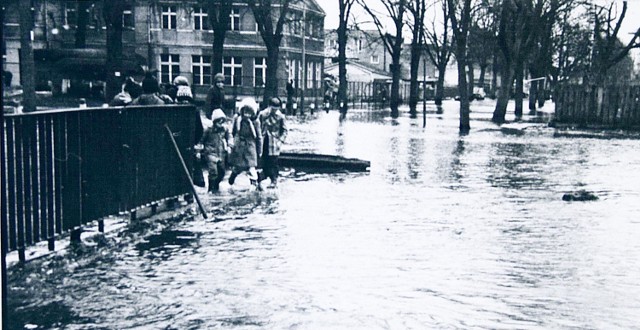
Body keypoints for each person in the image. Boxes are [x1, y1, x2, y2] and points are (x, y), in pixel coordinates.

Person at [228, 98, 263, 190]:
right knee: (238, 167)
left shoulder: (255, 122)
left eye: (250, 112)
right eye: (245, 111)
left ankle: (254, 184)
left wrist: (259, 151)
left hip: (250, 145)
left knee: (252, 167)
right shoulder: (237, 119)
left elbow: (259, 137)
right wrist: (231, 143)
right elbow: (232, 131)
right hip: (239, 144)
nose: (247, 114)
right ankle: (232, 178)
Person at [257, 97, 287, 188]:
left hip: (274, 142)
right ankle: (262, 177)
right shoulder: (263, 114)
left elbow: (285, 130)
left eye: (276, 109)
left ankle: (274, 179)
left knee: (273, 161)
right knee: (263, 160)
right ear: (269, 106)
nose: (274, 111)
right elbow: (258, 125)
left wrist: (280, 141)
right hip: (264, 140)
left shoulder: (281, 117)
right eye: (273, 109)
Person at [198, 108, 230, 193]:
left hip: (221, 153)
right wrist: (199, 150)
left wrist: (230, 144)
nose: (221, 123)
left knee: (222, 171)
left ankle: (216, 185)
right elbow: (201, 140)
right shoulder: (208, 130)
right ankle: (210, 188)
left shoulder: (224, 130)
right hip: (210, 152)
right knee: (213, 171)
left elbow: (229, 137)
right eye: (219, 121)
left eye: (222, 121)